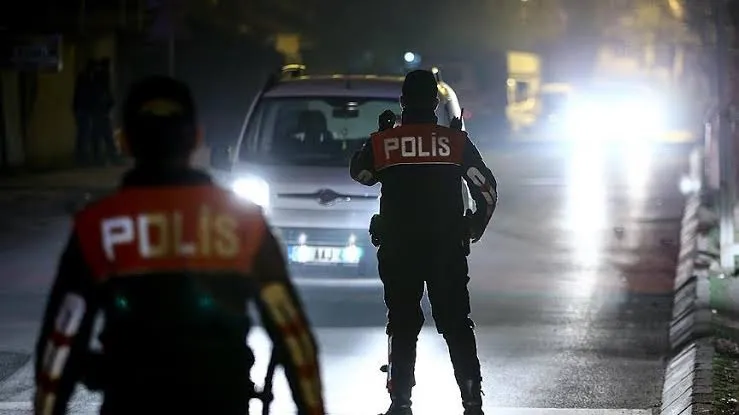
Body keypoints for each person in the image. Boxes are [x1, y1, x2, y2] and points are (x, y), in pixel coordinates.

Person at [34, 75, 326, 415]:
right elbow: (292, 334)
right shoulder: (242, 223)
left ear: (124, 142)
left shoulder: (98, 226)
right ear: (197, 138)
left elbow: (60, 344)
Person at [349, 70, 498, 415]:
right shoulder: (454, 142)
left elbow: (361, 174)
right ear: (435, 103)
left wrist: (381, 136)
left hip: (399, 251)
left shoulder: (386, 142)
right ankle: (472, 403)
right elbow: (487, 190)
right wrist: (474, 225)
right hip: (447, 250)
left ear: (402, 102)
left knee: (401, 324)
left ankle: (400, 402)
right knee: (457, 324)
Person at [89, 58, 122, 165]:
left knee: (98, 135)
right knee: (106, 135)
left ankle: (99, 158)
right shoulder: (103, 76)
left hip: (98, 110)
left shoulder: (95, 77)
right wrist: (109, 103)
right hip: (102, 110)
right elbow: (106, 92)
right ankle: (112, 157)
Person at [72, 60, 96, 165]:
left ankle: (81, 157)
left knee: (82, 134)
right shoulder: (87, 80)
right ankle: (82, 158)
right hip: (84, 110)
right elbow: (86, 97)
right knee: (84, 134)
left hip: (81, 110)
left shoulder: (83, 79)